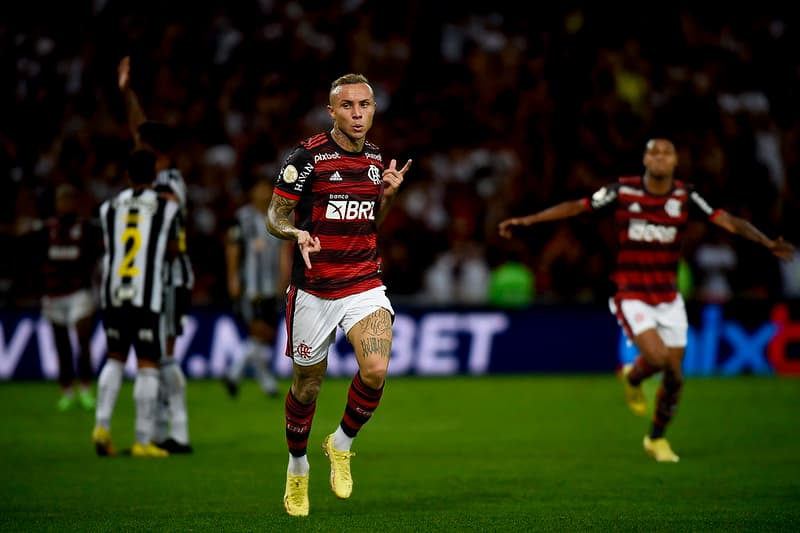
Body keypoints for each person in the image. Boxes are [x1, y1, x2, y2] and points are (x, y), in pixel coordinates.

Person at [498, 138, 794, 463]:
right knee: (658, 357)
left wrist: (766, 242)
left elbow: (728, 221)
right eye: (653, 151)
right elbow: (577, 206)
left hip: (668, 297)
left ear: (675, 161)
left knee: (676, 377)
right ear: (645, 158)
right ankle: (635, 375)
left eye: (667, 152)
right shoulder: (623, 192)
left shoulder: (685, 196)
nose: (659, 157)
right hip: (631, 292)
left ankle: (655, 438)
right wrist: (529, 220)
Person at [266, 73, 411, 516]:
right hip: (315, 289)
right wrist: (296, 233)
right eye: (348, 106)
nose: (358, 114)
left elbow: (371, 225)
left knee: (376, 369)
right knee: (307, 388)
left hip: (363, 282)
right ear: (332, 111)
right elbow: (274, 215)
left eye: (364, 105)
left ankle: (341, 443)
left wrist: (386, 196)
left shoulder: (374, 159)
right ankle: (297, 467)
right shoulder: (307, 157)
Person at [117, 56, 193, 454]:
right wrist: (126, 92)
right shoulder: (156, 172)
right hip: (156, 280)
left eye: (141, 143)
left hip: (170, 279)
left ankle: (176, 431)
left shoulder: (170, 184)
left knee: (164, 356)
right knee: (160, 354)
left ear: (154, 152)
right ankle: (169, 428)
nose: (135, 144)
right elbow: (137, 128)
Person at [92, 148, 182, 458]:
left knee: (114, 358)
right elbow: (172, 249)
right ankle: (143, 440)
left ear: (127, 175)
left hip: (114, 293)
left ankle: (102, 425)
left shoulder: (108, 208)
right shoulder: (166, 207)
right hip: (147, 297)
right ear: (154, 175)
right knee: (147, 366)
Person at [21, 183, 101, 411]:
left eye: (69, 199)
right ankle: (66, 390)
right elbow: (32, 257)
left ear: (75, 203)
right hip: (54, 295)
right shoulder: (46, 229)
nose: (65, 204)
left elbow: (96, 256)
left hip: (79, 293)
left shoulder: (85, 228)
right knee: (61, 345)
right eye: (61, 200)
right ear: (56, 203)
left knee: (83, 340)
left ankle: (85, 388)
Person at [223, 177, 291, 398]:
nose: (262, 193)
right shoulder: (241, 218)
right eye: (258, 188)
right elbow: (233, 249)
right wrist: (233, 279)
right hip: (250, 286)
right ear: (252, 191)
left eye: (265, 188)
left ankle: (262, 382)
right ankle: (235, 373)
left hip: (272, 285)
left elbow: (284, 251)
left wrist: (284, 277)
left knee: (264, 336)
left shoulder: (279, 217)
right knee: (260, 332)